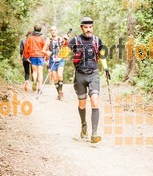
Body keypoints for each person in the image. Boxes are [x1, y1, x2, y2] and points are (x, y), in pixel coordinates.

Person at [68, 16, 111, 144]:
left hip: (93, 74)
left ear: (93, 27)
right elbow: (63, 53)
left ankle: (94, 134)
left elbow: (101, 55)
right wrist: (64, 43)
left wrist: (106, 68)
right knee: (82, 103)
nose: (88, 30)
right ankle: (84, 124)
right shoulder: (75, 40)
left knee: (95, 101)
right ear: (81, 28)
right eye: (86, 27)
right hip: (80, 75)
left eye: (90, 27)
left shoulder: (97, 41)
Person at [42, 26, 68, 100]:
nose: (53, 31)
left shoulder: (60, 39)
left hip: (60, 60)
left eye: (55, 30)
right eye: (52, 30)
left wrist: (66, 41)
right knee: (55, 78)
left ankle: (61, 92)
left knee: (60, 75)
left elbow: (66, 45)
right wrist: (48, 53)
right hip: (52, 60)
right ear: (50, 32)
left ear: (57, 31)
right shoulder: (48, 40)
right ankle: (58, 94)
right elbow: (43, 50)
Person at [24, 25, 46, 92]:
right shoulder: (42, 38)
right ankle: (39, 88)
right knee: (40, 72)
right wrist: (46, 56)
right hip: (40, 56)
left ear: (34, 29)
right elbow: (45, 47)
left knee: (35, 71)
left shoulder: (30, 38)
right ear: (40, 30)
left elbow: (26, 48)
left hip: (33, 56)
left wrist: (27, 56)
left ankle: (35, 80)